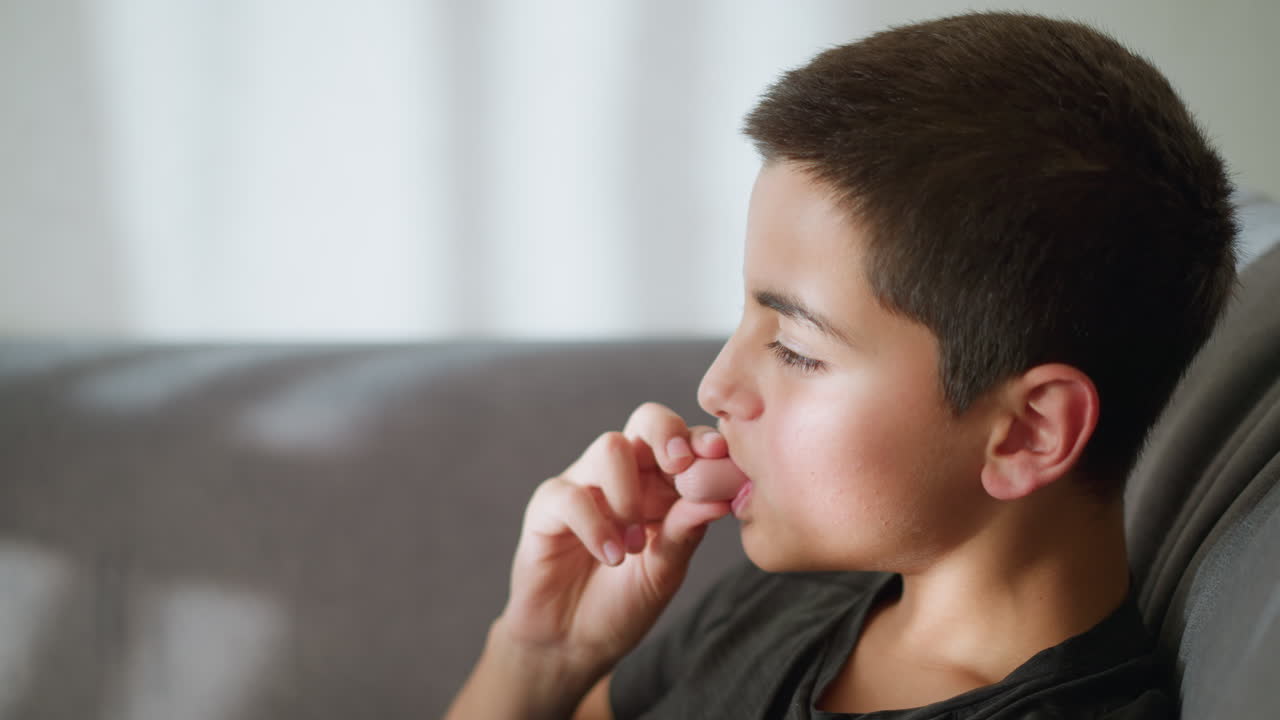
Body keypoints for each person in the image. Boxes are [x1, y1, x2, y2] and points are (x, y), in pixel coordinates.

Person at [444, 11, 1238, 719]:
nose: (714, 387)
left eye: (794, 348)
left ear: (1026, 433)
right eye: (746, 319)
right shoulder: (789, 598)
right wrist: (538, 657)